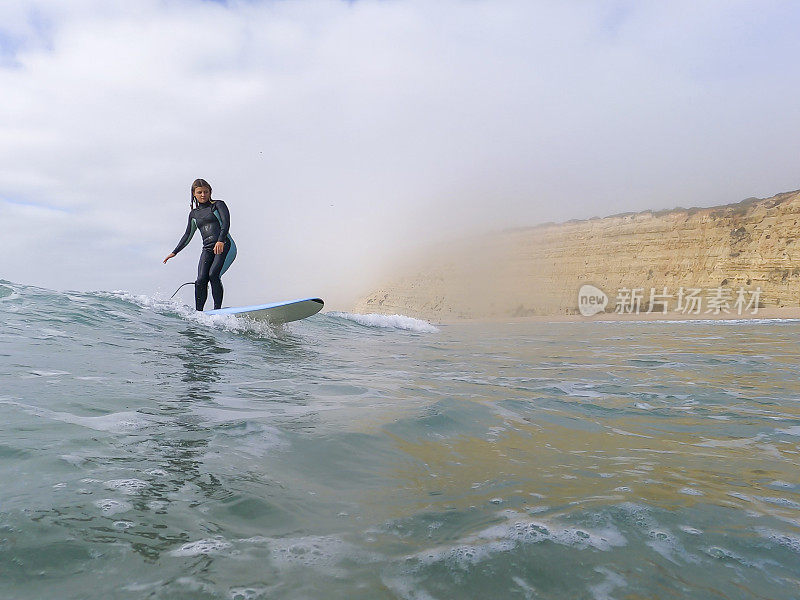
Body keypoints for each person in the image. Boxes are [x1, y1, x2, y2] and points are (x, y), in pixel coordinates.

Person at [163, 178, 237, 310]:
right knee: (201, 279)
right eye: (200, 192)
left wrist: (220, 240)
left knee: (213, 274)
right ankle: (199, 313)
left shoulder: (218, 205)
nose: (203, 195)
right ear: (194, 194)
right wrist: (174, 252)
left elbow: (226, 223)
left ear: (210, 192)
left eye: (206, 192)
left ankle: (217, 310)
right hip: (208, 249)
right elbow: (187, 234)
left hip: (225, 245)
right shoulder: (194, 214)